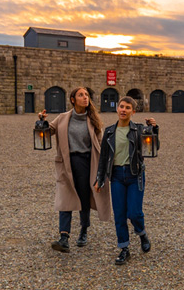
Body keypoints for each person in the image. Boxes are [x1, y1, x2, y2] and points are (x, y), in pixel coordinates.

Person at [38, 88, 112, 253]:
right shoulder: (63, 118)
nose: (85, 98)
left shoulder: (92, 119)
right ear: (73, 99)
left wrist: (102, 170)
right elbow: (48, 132)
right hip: (67, 162)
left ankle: (83, 231)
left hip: (86, 162)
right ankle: (64, 237)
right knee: (66, 197)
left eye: (86, 95)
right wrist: (42, 122)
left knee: (84, 197)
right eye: (81, 95)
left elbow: (99, 145)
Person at [94, 96, 158, 265]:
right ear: (117, 109)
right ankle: (124, 248)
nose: (123, 110)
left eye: (127, 107)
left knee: (134, 213)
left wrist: (153, 130)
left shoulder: (139, 129)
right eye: (121, 106)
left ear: (133, 111)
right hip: (116, 176)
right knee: (120, 215)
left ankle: (142, 233)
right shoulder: (109, 131)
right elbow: (104, 158)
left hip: (134, 174)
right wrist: (99, 179)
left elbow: (153, 148)